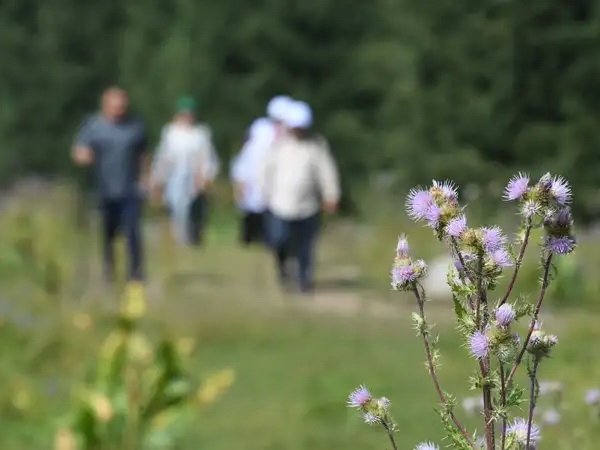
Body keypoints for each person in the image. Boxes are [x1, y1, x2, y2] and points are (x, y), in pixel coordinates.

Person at [260, 100, 340, 294]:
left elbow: (326, 172)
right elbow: (265, 171)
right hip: (280, 204)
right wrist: (265, 194)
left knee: (305, 247)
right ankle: (283, 269)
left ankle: (305, 282)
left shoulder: (316, 147)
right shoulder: (278, 146)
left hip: (308, 207)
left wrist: (331, 195)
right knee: (280, 240)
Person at [72, 87, 149, 282]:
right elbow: (79, 149)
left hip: (129, 188)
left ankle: (136, 274)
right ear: (105, 106)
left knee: (133, 231)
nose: (120, 110)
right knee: (108, 233)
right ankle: (109, 272)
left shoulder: (135, 126)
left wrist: (147, 178)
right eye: (115, 106)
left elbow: (144, 154)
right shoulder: (93, 126)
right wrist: (83, 156)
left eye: (123, 106)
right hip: (104, 189)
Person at [150, 96, 218, 246]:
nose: (187, 117)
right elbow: (163, 156)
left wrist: (205, 175)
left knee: (194, 210)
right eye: (183, 113)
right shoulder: (170, 132)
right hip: (174, 176)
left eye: (189, 113)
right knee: (176, 207)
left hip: (194, 176)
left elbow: (207, 156)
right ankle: (180, 238)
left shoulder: (201, 133)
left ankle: (192, 238)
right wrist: (157, 179)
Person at [230, 118, 276, 245]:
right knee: (253, 214)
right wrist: (241, 187)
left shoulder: (272, 148)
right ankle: (250, 238)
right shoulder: (251, 149)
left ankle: (258, 238)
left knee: (260, 214)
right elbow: (241, 170)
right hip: (253, 187)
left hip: (262, 188)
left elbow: (239, 170)